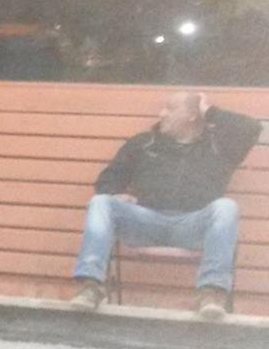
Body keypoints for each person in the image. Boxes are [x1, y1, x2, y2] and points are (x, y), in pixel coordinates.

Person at [70, 91, 260, 319]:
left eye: (170, 109)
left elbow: (252, 129)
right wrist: (115, 194)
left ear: (192, 115)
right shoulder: (143, 143)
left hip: (193, 225)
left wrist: (210, 111)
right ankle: (91, 287)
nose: (162, 114)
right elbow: (107, 180)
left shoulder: (220, 147)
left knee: (226, 207)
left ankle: (210, 293)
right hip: (146, 222)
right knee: (100, 202)